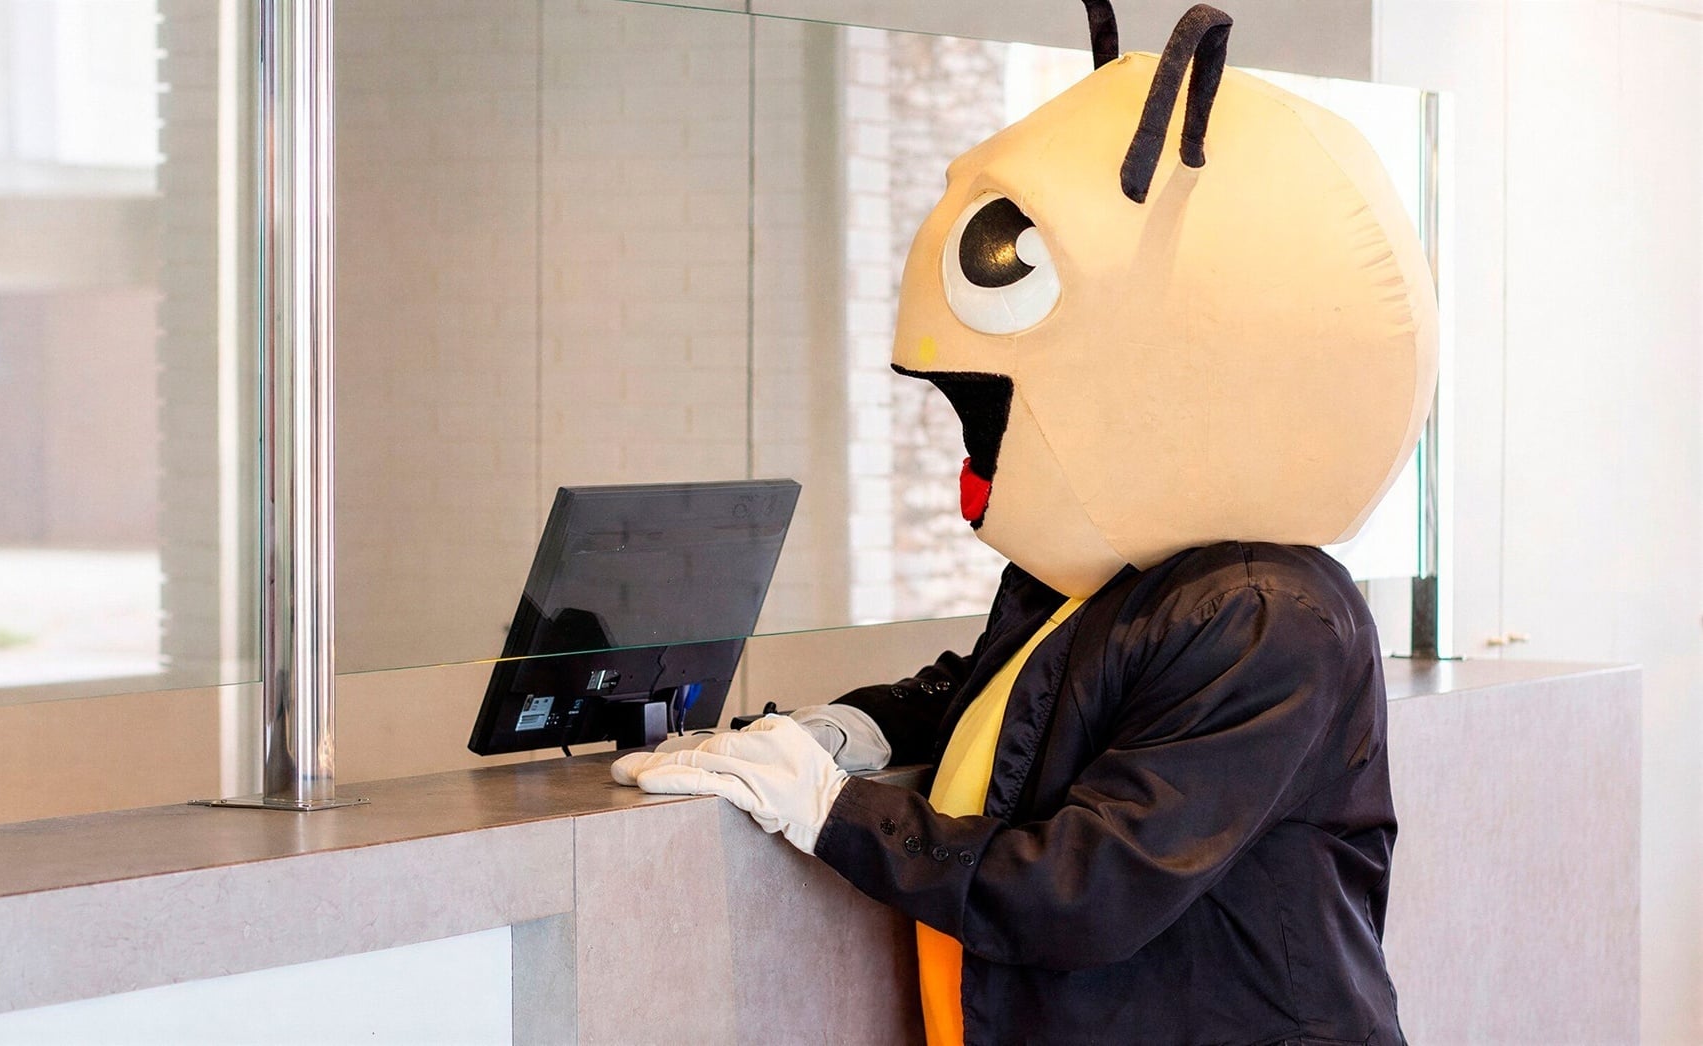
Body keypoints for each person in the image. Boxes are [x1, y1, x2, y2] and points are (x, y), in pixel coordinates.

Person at [614, 3, 1436, 1043]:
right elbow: (995, 697)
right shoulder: (1105, 575)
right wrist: (840, 732)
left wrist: (828, 805)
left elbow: (1082, 888)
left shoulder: (1268, 619)